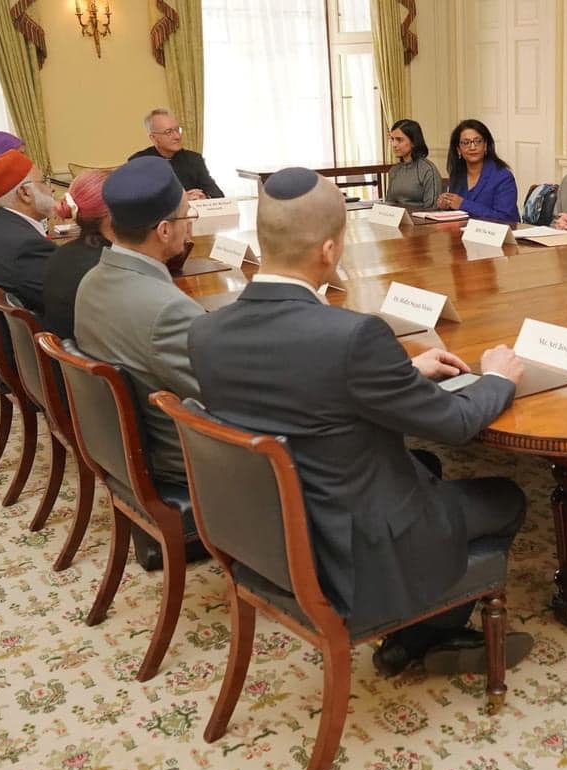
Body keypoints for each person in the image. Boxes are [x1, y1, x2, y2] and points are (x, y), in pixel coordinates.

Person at [189, 167, 534, 677]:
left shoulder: (207, 332)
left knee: (425, 465)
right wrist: (498, 378)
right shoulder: (351, 337)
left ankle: (416, 628)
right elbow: (457, 422)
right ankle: (426, 631)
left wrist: (401, 372)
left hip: (268, 528)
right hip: (349, 544)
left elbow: (304, 389)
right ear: (330, 249)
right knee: (506, 497)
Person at [74, 156, 204, 488]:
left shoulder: (90, 281)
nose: (189, 225)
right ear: (164, 230)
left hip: (120, 450)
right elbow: (218, 397)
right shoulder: (168, 310)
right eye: (187, 215)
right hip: (183, 462)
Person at [0, 150, 57, 312]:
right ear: (25, 193)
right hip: (41, 333)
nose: (51, 189)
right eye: (44, 182)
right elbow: (65, 299)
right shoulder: (27, 246)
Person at [42, 169, 113, 338]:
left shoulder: (60, 254)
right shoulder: (106, 268)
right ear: (110, 214)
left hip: (69, 355)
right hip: (95, 359)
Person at [128, 108, 223, 200]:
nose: (177, 136)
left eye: (177, 130)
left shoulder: (194, 159)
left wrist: (205, 198)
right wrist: (181, 200)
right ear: (153, 138)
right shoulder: (139, 163)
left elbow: (217, 195)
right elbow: (140, 202)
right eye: (168, 132)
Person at [437, 119, 519, 223]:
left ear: (485, 145)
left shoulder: (503, 176)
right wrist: (446, 205)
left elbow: (506, 218)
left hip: (498, 236)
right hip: (462, 234)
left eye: (478, 141)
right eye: (466, 143)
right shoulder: (457, 174)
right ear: (458, 149)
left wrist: (463, 204)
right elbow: (458, 213)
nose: (472, 147)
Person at [385, 119, 443, 209]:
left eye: (399, 140)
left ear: (413, 142)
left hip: (422, 221)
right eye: (392, 139)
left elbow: (432, 208)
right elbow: (389, 204)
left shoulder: (428, 170)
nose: (394, 144)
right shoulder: (394, 170)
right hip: (398, 220)